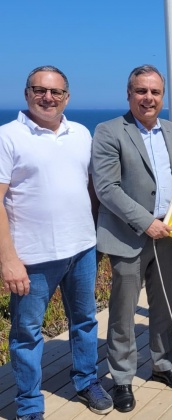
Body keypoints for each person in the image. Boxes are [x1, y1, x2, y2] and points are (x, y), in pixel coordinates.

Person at [0, 66, 112, 419]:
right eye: (39, 90)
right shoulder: (8, 136)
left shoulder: (80, 133)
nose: (47, 97)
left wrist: (94, 233)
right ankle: (30, 405)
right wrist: (8, 260)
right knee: (26, 334)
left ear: (67, 97)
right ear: (27, 93)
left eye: (56, 92)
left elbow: (91, 188)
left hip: (81, 250)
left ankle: (86, 380)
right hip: (32, 258)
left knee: (86, 321)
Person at [92, 64, 172, 413]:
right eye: (141, 91)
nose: (148, 98)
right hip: (128, 236)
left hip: (168, 234)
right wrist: (145, 221)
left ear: (162, 96)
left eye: (155, 92)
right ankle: (121, 379)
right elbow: (106, 188)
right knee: (121, 313)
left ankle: (163, 365)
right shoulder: (108, 131)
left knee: (164, 305)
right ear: (129, 93)